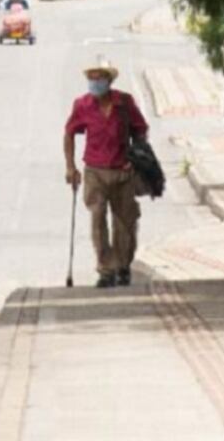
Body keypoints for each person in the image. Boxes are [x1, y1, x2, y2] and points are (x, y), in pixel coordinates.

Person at [64, 58, 149, 288]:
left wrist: (137, 158)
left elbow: (140, 130)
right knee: (97, 218)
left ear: (109, 80)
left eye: (99, 77)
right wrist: (70, 167)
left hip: (122, 171)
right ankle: (106, 269)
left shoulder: (124, 103)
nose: (94, 82)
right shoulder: (82, 105)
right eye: (91, 77)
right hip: (95, 172)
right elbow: (69, 133)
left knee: (125, 223)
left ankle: (122, 265)